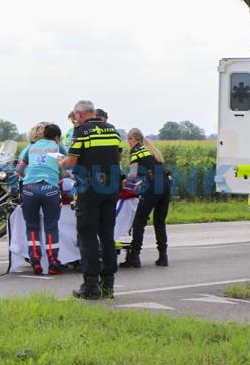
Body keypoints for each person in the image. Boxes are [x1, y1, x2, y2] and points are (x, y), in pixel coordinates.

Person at [59, 100, 123, 299]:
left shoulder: (81, 131)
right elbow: (119, 157)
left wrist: (60, 161)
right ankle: (108, 284)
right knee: (107, 234)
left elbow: (71, 162)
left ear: (78, 115)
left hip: (90, 187)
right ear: (93, 112)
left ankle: (90, 285)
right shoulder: (112, 130)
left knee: (87, 235)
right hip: (111, 186)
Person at [17, 124, 66, 275]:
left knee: (32, 227)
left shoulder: (31, 148)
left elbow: (19, 169)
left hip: (30, 188)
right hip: (49, 189)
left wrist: (29, 179)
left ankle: (35, 261)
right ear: (57, 138)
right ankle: (53, 263)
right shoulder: (57, 147)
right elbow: (65, 168)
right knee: (51, 226)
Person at [119, 128, 171, 268]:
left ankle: (134, 257)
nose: (128, 143)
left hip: (153, 187)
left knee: (139, 222)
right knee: (159, 222)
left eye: (128, 140)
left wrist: (123, 179)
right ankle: (163, 256)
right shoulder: (151, 150)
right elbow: (154, 171)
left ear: (133, 139)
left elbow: (133, 174)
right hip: (165, 184)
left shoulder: (136, 151)